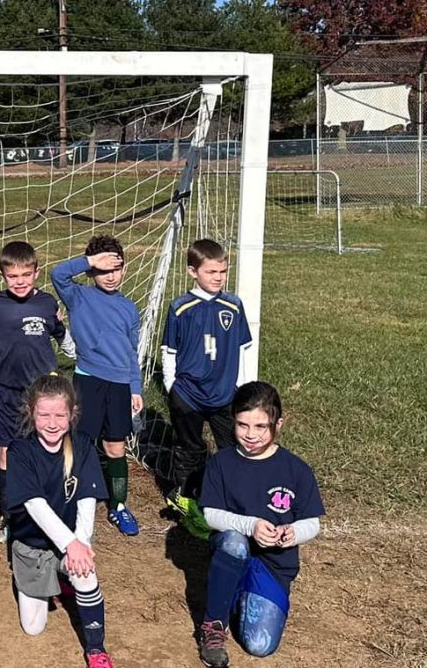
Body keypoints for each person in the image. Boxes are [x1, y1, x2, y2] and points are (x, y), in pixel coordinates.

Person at [196, 381, 324, 667]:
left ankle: (236, 592)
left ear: (279, 423)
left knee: (259, 645)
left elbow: (312, 522)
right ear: (233, 421)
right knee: (233, 542)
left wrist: (293, 533)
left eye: (260, 427)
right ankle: (213, 624)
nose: (250, 435)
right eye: (242, 425)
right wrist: (251, 525)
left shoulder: (297, 470)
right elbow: (211, 516)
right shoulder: (222, 463)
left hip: (273, 563)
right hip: (235, 549)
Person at [4, 374, 116, 668]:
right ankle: (44, 581)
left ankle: (96, 648)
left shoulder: (82, 446)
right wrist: (71, 543)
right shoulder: (20, 451)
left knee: (84, 571)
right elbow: (35, 505)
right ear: (31, 413)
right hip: (32, 547)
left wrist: (80, 544)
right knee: (34, 627)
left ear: (72, 414)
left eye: (59, 415)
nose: (52, 423)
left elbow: (87, 500)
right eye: (43, 415)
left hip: (69, 544)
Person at [0, 240, 74, 543]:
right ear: (2, 276)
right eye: (13, 276)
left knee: (48, 446)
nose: (20, 282)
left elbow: (61, 335)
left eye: (26, 275)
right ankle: (9, 514)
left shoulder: (46, 304)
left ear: (36, 273)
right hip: (6, 391)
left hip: (42, 393)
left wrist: (80, 355)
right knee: (7, 451)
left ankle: (51, 509)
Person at [160, 239, 253, 538]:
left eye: (223, 271)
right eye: (211, 271)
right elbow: (169, 351)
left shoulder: (233, 305)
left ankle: (232, 501)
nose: (218, 277)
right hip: (188, 394)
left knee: (232, 450)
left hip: (225, 394)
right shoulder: (180, 307)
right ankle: (185, 501)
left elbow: (245, 348)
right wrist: (172, 386)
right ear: (192, 271)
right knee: (191, 449)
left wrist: (244, 388)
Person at [51, 235, 143, 536]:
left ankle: (118, 506)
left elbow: (132, 351)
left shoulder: (129, 308)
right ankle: (68, 497)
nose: (111, 275)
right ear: (92, 272)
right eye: (104, 270)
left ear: (124, 269)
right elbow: (57, 274)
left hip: (119, 384)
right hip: (88, 380)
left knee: (115, 446)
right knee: (79, 443)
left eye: (116, 268)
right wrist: (91, 261)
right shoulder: (78, 296)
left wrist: (135, 387)